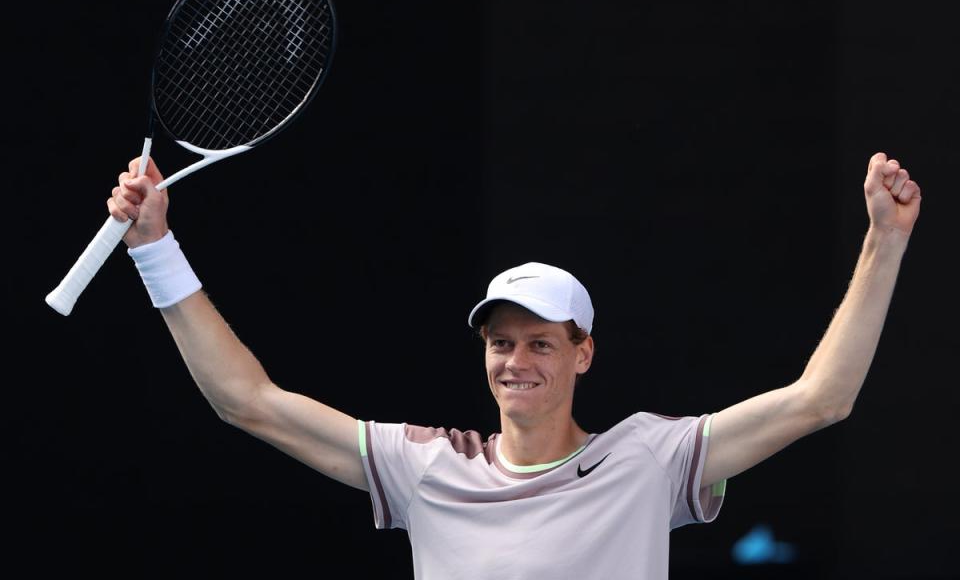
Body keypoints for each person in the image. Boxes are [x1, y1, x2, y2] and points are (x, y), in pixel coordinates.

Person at [107, 151, 921, 579]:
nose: (517, 360)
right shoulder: (427, 465)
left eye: (540, 341)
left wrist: (885, 241)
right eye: (502, 342)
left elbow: (822, 399)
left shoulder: (647, 458)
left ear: (583, 353)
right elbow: (247, 401)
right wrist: (155, 250)